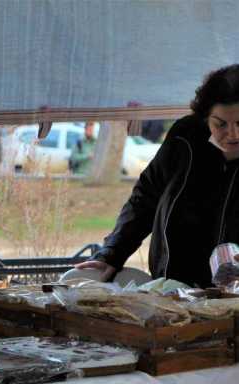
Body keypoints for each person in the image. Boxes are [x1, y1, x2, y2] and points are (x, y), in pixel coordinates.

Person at [76, 64, 239, 288]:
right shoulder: (185, 138)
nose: (232, 134)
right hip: (172, 286)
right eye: (220, 124)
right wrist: (113, 253)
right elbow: (144, 198)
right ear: (204, 117)